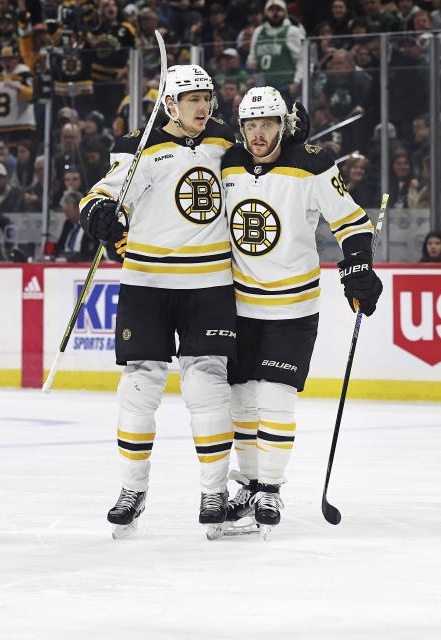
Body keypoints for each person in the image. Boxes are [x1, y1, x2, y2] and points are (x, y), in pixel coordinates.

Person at [78, 65, 238, 538]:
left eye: (207, 97)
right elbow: (103, 193)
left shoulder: (225, 141)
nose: (203, 107)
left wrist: (289, 135)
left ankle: (214, 492)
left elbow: (264, 163)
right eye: (192, 99)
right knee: (139, 387)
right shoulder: (137, 145)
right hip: (146, 283)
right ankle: (133, 490)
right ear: (169, 104)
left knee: (207, 386)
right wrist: (100, 216)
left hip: (208, 282)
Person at [220, 86, 382, 536]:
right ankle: (248, 485)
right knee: (241, 400)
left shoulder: (311, 163)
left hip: (292, 304)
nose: (258, 134)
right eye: (250, 125)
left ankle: (270, 488)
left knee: (276, 394)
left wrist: (358, 269)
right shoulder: (228, 161)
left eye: (268, 124)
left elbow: (351, 221)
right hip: (239, 303)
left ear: (283, 124)